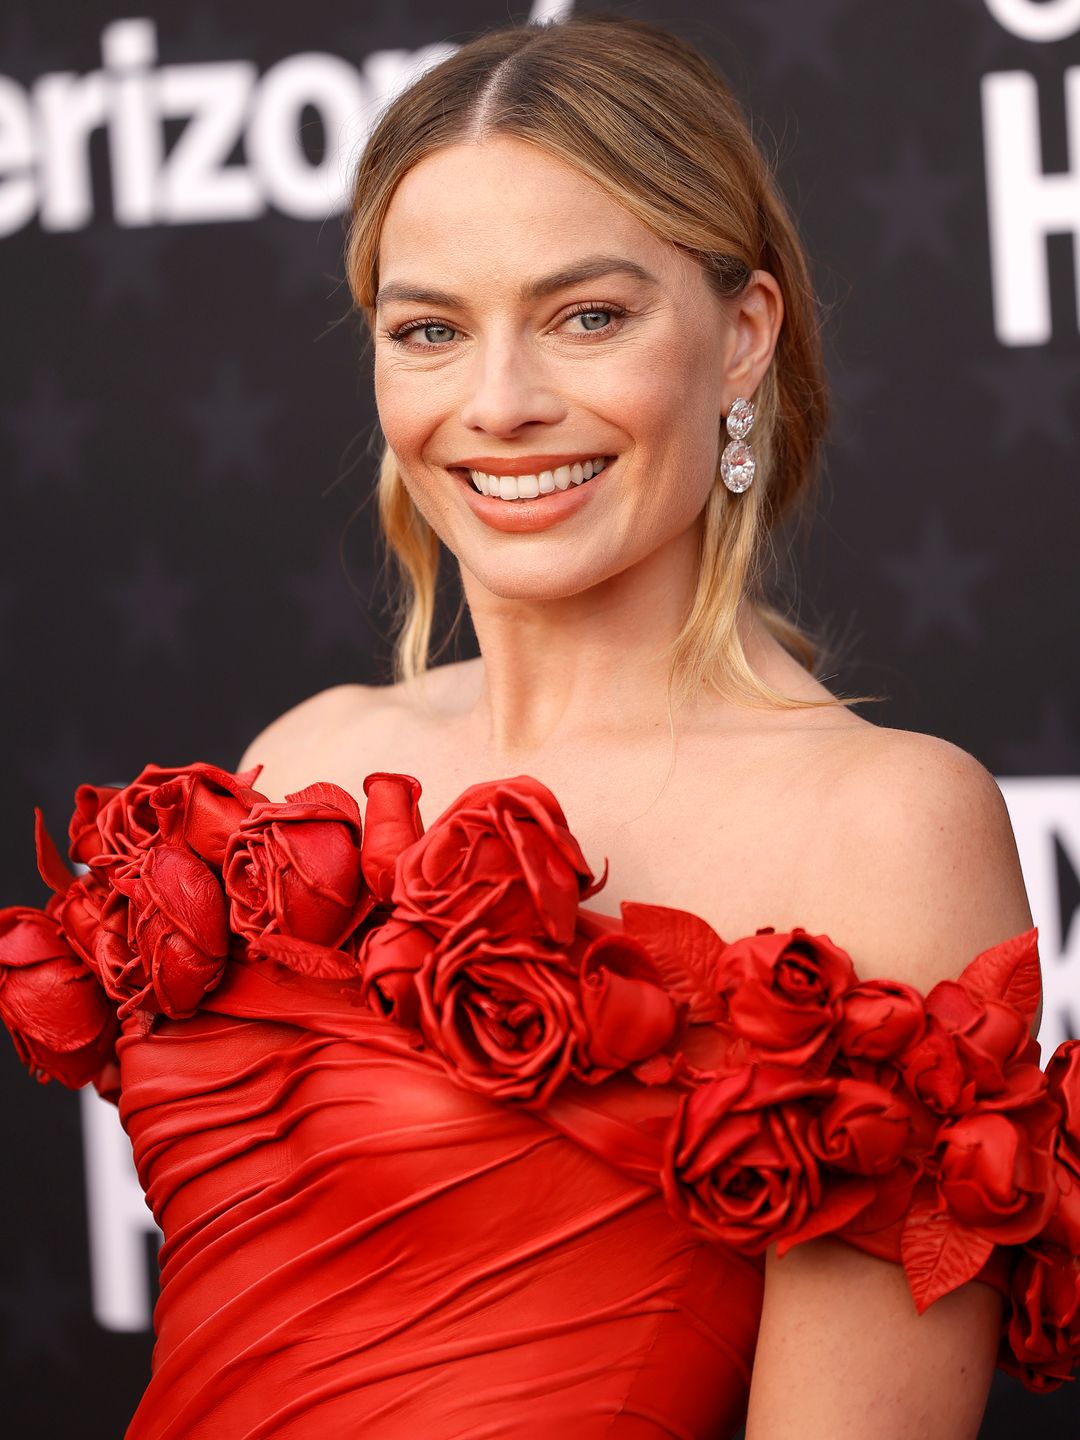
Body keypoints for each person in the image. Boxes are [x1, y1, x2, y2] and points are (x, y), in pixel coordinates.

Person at [1, 13, 1078, 1440]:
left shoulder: (882, 822)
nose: (499, 405)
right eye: (430, 330)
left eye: (588, 316)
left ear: (744, 334)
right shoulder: (302, 758)